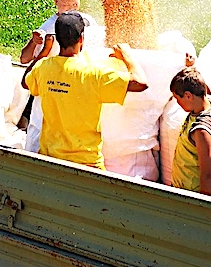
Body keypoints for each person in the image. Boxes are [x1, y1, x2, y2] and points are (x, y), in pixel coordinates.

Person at [22, 11, 147, 169]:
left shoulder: (44, 68)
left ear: (57, 39)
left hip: (50, 159)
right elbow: (141, 83)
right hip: (87, 163)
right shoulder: (93, 74)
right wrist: (127, 56)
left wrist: (44, 53)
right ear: (81, 38)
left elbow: (25, 82)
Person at [169, 65, 211, 197]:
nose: (177, 103)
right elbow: (205, 90)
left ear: (188, 95)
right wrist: (190, 68)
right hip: (183, 192)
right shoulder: (209, 102)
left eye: (178, 99)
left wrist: (202, 210)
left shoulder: (201, 130)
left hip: (191, 196)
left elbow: (207, 175)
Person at [19, 0, 98, 65]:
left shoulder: (88, 21)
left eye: (75, 4)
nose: (71, 9)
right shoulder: (48, 28)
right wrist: (34, 41)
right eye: (65, 4)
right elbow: (24, 60)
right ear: (56, 1)